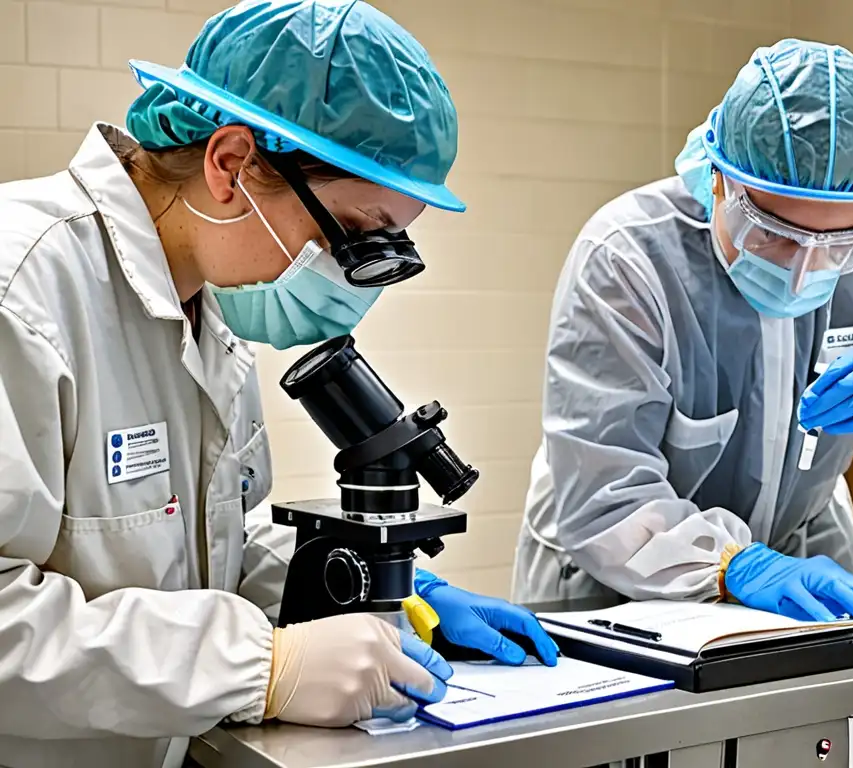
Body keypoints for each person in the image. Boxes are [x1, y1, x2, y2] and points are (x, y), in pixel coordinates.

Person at [0, 2, 557, 766]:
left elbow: (212, 544)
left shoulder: (211, 303)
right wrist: (263, 668)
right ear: (229, 164)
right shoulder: (22, 289)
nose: (358, 276)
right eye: (356, 235)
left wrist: (383, 591)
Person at [512, 39, 853, 629]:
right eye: (773, 233)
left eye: (836, 245)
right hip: (622, 570)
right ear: (719, 181)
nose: (803, 270)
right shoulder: (628, 259)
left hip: (805, 551)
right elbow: (606, 489)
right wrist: (737, 566)